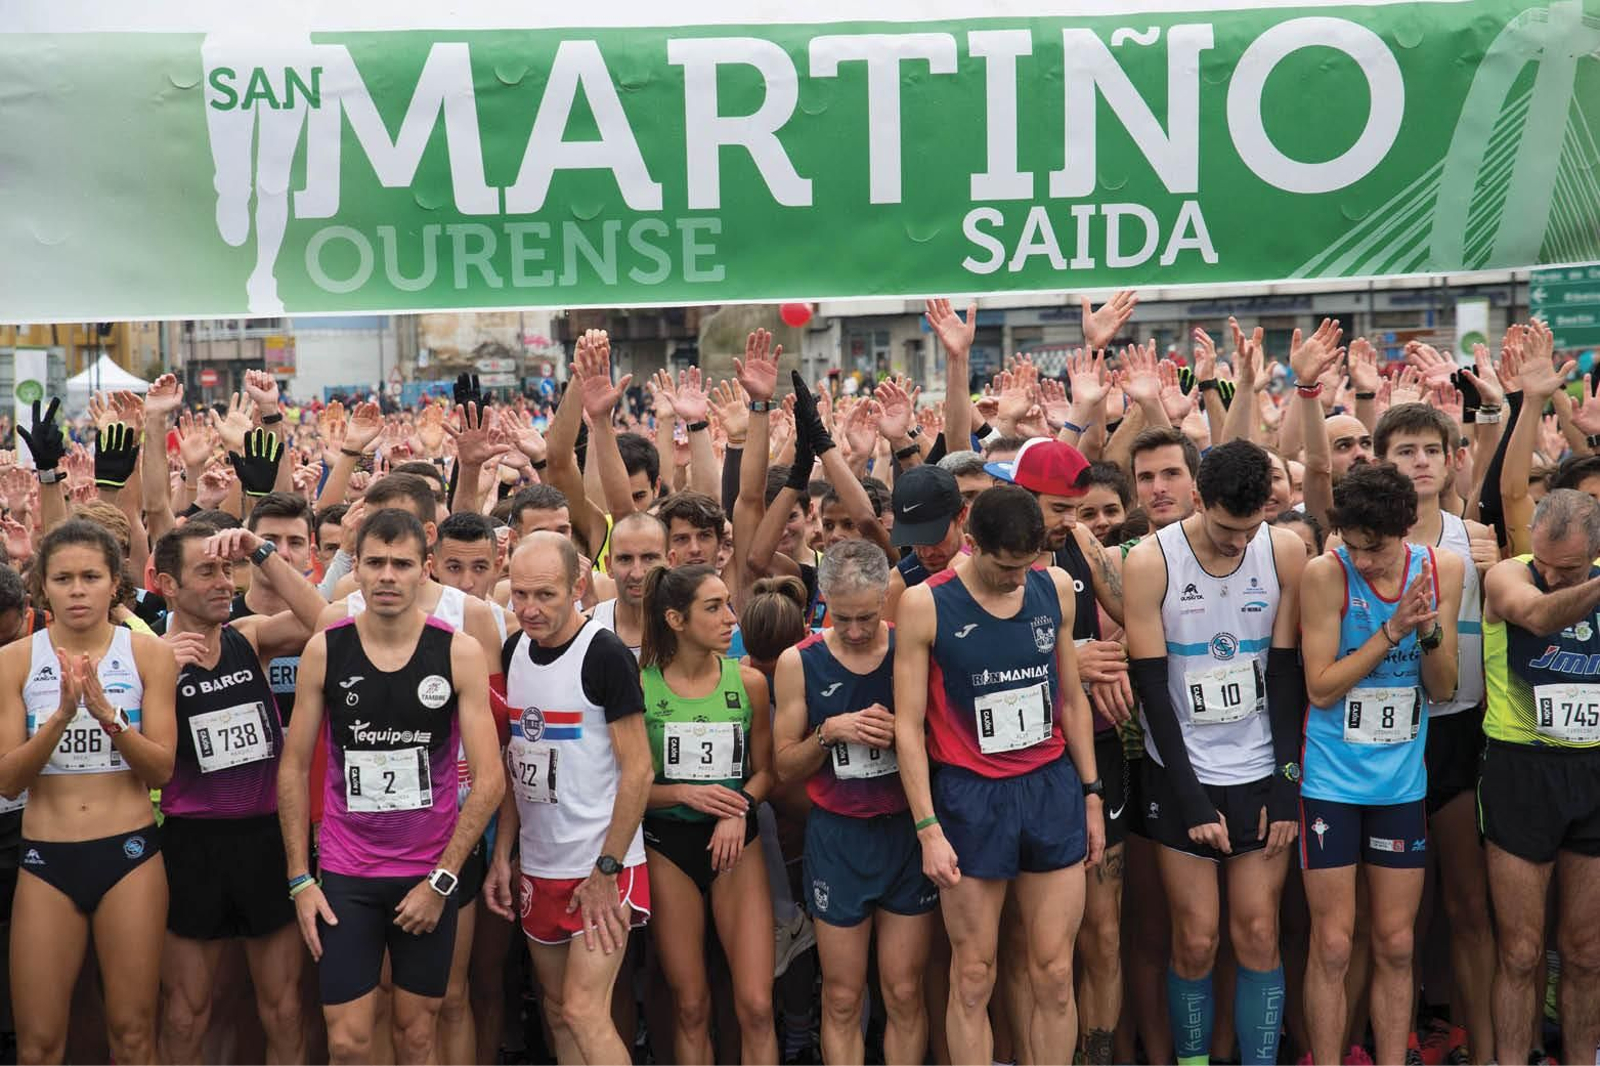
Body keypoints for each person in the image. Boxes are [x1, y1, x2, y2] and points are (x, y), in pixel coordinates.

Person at [279, 508, 505, 1065]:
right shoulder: (325, 649)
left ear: (424, 570)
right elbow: (292, 767)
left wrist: (442, 880)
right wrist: (300, 879)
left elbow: (491, 778)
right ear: (354, 569)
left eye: (400, 564)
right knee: (349, 1041)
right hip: (347, 872)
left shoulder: (458, 652)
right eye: (374, 563)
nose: (386, 576)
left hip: (428, 870)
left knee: (417, 1035)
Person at [893, 485, 1104, 1066]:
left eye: (1026, 565)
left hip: (1049, 787)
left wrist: (1091, 793)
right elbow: (908, 727)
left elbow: (1072, 698)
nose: (1017, 578)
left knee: (1056, 971)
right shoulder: (925, 604)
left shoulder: (1053, 587)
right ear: (971, 543)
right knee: (974, 974)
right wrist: (927, 827)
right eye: (1004, 567)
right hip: (970, 798)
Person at [1123, 439, 1309, 1066]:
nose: (1239, 542)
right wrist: (1191, 798)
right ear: (1198, 501)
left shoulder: (1284, 548)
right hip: (1184, 771)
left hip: (1259, 766)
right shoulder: (1153, 561)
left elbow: (1285, 674)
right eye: (1228, 529)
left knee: (1258, 933)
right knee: (1197, 940)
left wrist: (1286, 784)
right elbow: (1151, 687)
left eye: (1251, 527)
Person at [1298, 463, 1461, 1066]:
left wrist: (1428, 635)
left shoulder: (1442, 570)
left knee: (1395, 943)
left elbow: (1442, 689)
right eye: (1354, 545)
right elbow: (1320, 688)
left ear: (1407, 530)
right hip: (1331, 782)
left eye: (1377, 548)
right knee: (1335, 943)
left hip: (1399, 783)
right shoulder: (1325, 574)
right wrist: (1392, 630)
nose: (1363, 560)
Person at [0, 519, 178, 1064]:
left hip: (128, 853)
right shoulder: (14, 661)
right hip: (45, 858)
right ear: (42, 587)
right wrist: (61, 716)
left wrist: (107, 714)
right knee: (39, 1045)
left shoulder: (149, 656)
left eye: (90, 576)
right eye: (63, 578)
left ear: (113, 584)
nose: (77, 589)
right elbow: (8, 779)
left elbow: (162, 771)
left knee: (132, 1036)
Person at [152, 521, 327, 1064]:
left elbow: (327, 621)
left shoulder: (249, 638)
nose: (225, 582)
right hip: (192, 845)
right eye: (207, 571)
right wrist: (158, 674)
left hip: (266, 839)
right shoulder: (145, 656)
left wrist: (262, 551)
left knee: (283, 1010)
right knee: (185, 1012)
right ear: (166, 584)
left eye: (228, 569)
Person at [485, 531, 653, 1065]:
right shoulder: (513, 650)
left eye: (546, 596)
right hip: (540, 863)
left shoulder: (602, 655)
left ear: (578, 585)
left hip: (602, 865)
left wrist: (607, 868)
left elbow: (639, 772)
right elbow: (517, 765)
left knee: (584, 1011)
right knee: (558, 1012)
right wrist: (504, 855)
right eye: (520, 595)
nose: (530, 609)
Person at [774, 540, 937, 1065]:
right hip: (839, 837)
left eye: (867, 617)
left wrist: (909, 737)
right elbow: (783, 765)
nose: (857, 631)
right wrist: (828, 732)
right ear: (823, 603)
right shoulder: (799, 662)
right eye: (842, 619)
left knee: (904, 991)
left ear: (886, 599)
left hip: (905, 834)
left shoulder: (911, 646)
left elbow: (949, 745)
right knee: (842, 996)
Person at [1373, 402, 1499, 1061]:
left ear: (1452, 460)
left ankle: (1476, 1043)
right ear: (1380, 463)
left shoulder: (1474, 538)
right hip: (1385, 743)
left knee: (1470, 909)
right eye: (1404, 451)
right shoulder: (1354, 544)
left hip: (1458, 732)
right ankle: (1399, 1032)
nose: (1420, 461)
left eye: (1430, 449)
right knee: (1394, 919)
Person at [1479, 489, 1600, 1066]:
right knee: (1521, 952)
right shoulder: (1509, 576)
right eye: (1544, 564)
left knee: (1584, 953)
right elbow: (1537, 614)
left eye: (1568, 569)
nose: (1550, 577)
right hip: (1520, 770)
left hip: (1594, 772)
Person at [639, 563, 778, 1065]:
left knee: (758, 1005)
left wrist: (739, 808)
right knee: (692, 1006)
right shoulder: (641, 687)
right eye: (714, 608)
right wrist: (682, 793)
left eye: (729, 605)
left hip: (737, 842)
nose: (730, 619)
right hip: (668, 844)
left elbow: (767, 772)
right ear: (676, 619)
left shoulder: (749, 685)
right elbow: (625, 788)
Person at [882, 464, 967, 621]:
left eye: (934, 537)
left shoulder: (995, 564)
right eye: (915, 539)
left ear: (961, 516)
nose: (926, 552)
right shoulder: (896, 587)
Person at [588, 511, 668, 657]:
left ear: (671, 561)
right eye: (625, 559)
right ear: (608, 566)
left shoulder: (690, 630)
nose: (637, 574)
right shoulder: (586, 630)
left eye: (649, 558)